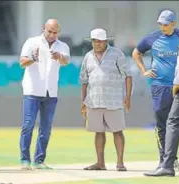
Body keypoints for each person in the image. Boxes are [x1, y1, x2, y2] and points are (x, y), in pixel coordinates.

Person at [132, 10, 179, 173]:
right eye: (160, 24)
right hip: (160, 86)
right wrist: (144, 70)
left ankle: (171, 161)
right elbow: (136, 53)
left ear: (173, 23)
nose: (163, 27)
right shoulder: (152, 37)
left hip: (178, 86)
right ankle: (165, 162)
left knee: (174, 124)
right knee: (162, 124)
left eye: (166, 24)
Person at [19, 19, 70, 170]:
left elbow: (66, 61)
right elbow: (22, 62)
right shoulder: (32, 42)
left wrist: (59, 57)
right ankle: (25, 160)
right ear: (44, 29)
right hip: (32, 90)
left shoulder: (62, 46)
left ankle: (39, 161)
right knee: (28, 126)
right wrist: (33, 59)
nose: (53, 35)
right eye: (50, 32)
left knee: (46, 128)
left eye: (55, 32)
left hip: (51, 92)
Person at [80, 28, 132, 171]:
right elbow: (84, 81)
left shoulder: (117, 54)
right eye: (94, 41)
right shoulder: (88, 56)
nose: (97, 44)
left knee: (117, 131)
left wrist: (127, 97)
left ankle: (120, 163)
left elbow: (127, 75)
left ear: (105, 41)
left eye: (100, 41)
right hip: (93, 100)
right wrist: (83, 102)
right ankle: (100, 163)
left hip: (114, 100)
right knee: (98, 132)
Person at [145, 47, 179, 177]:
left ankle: (167, 165)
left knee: (172, 123)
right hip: (165, 86)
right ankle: (167, 164)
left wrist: (176, 85)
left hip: (176, 88)